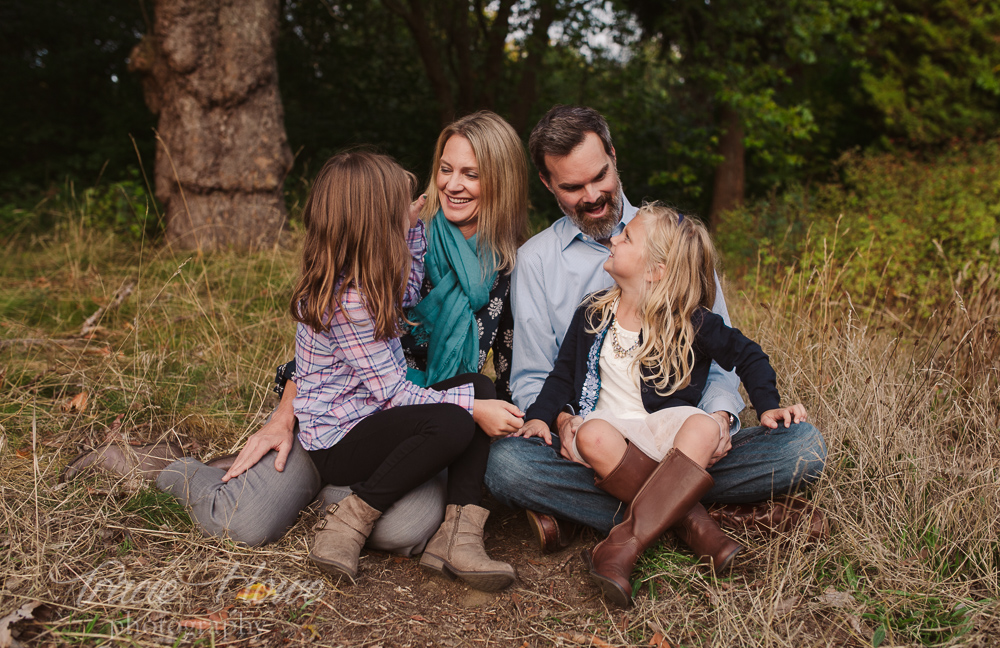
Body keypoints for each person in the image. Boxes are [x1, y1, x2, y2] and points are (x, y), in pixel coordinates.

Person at [485, 105, 827, 554]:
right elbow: (535, 377)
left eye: (599, 176)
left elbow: (726, 354)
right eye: (572, 186)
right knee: (508, 466)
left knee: (803, 447)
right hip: (597, 442)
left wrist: (721, 421)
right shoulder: (535, 262)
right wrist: (564, 423)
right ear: (548, 184)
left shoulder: (670, 237)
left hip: (683, 435)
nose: (592, 195)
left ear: (613, 154)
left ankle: (612, 517)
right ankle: (704, 518)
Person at [240, 151, 523, 588]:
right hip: (340, 438)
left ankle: (457, 537)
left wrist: (407, 229)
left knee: (479, 387)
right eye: (400, 209)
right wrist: (473, 411)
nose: (446, 187)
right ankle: (347, 524)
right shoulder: (350, 301)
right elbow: (393, 393)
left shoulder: (372, 276)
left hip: (370, 417)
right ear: (376, 225)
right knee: (456, 418)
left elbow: (409, 293)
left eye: (470, 173)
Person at [515, 204, 809, 606]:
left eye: (627, 237)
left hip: (669, 439)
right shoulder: (593, 311)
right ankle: (699, 522)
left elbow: (749, 355)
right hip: (612, 439)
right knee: (585, 438)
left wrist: (768, 406)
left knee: (721, 430)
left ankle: (620, 544)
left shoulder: (691, 321)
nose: (614, 237)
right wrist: (538, 419)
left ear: (656, 270)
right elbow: (562, 376)